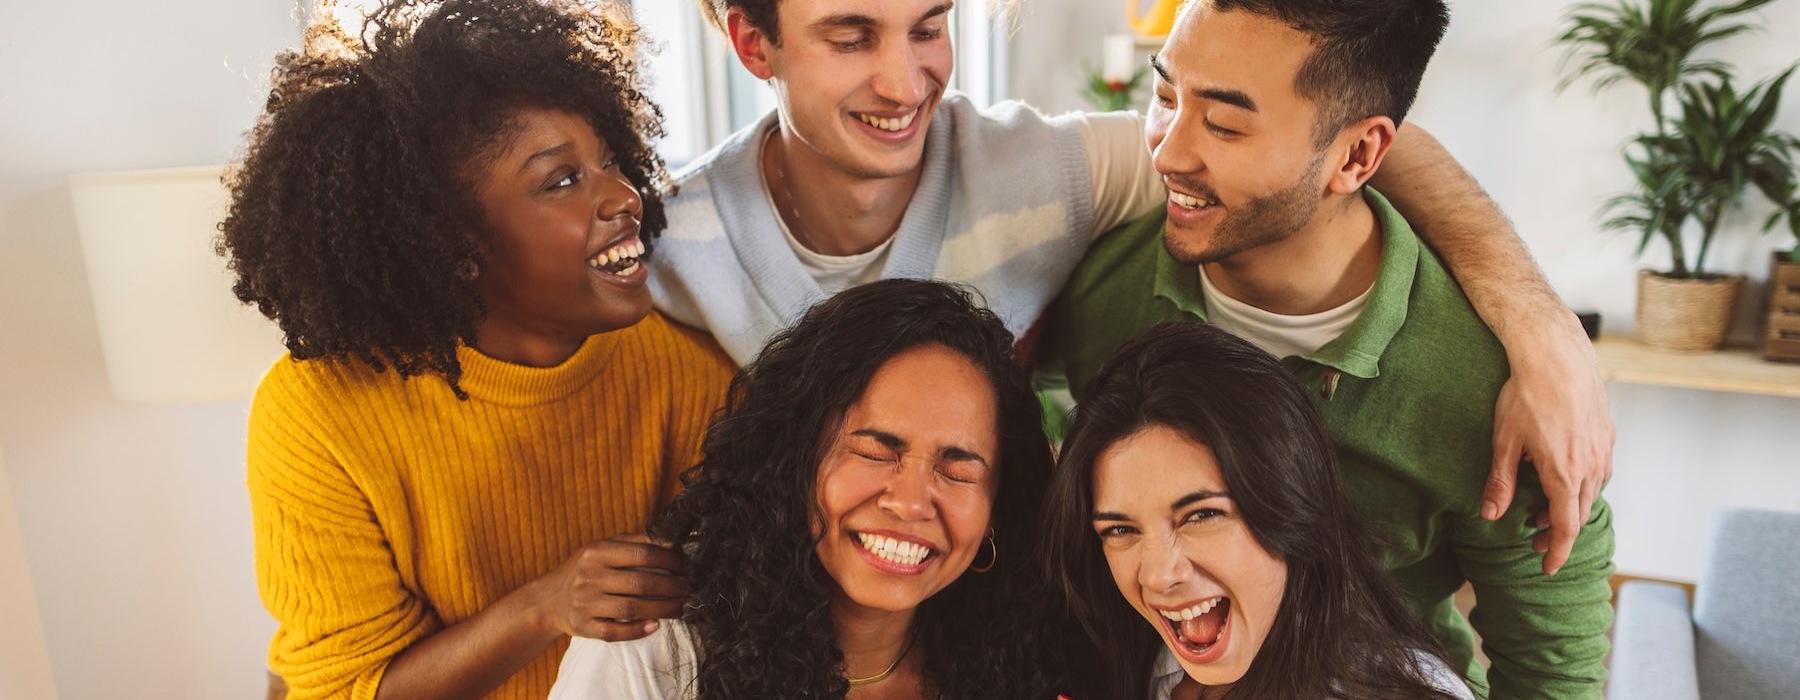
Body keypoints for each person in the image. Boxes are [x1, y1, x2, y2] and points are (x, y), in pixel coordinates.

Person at [650, 0, 1614, 577]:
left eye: (930, 27)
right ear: (752, 43)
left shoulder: (1049, 170)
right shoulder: (666, 241)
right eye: (851, 37)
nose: (906, 82)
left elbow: (1351, 144)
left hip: (999, 626)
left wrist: (1541, 329)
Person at [1037, 2, 1615, 697]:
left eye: (1224, 124)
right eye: (1164, 97)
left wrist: (1543, 327)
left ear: (1358, 155)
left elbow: (1553, 670)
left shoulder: (1486, 389)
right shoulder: (1103, 281)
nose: (1167, 152)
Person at [219, 1, 735, 697]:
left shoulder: (688, 370)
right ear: (452, 245)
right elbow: (342, 691)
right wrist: (544, 607)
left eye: (609, 161)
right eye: (562, 180)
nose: (624, 196)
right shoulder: (315, 414)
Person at [549, 279, 1069, 699]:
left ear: (999, 505)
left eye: (957, 470)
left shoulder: (1023, 661)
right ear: (793, 459)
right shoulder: (653, 646)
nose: (910, 503)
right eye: (875, 451)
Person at [1046, 323, 1475, 700]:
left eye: (1202, 515)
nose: (1158, 575)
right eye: (1120, 529)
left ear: (1292, 503)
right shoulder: (1131, 658)